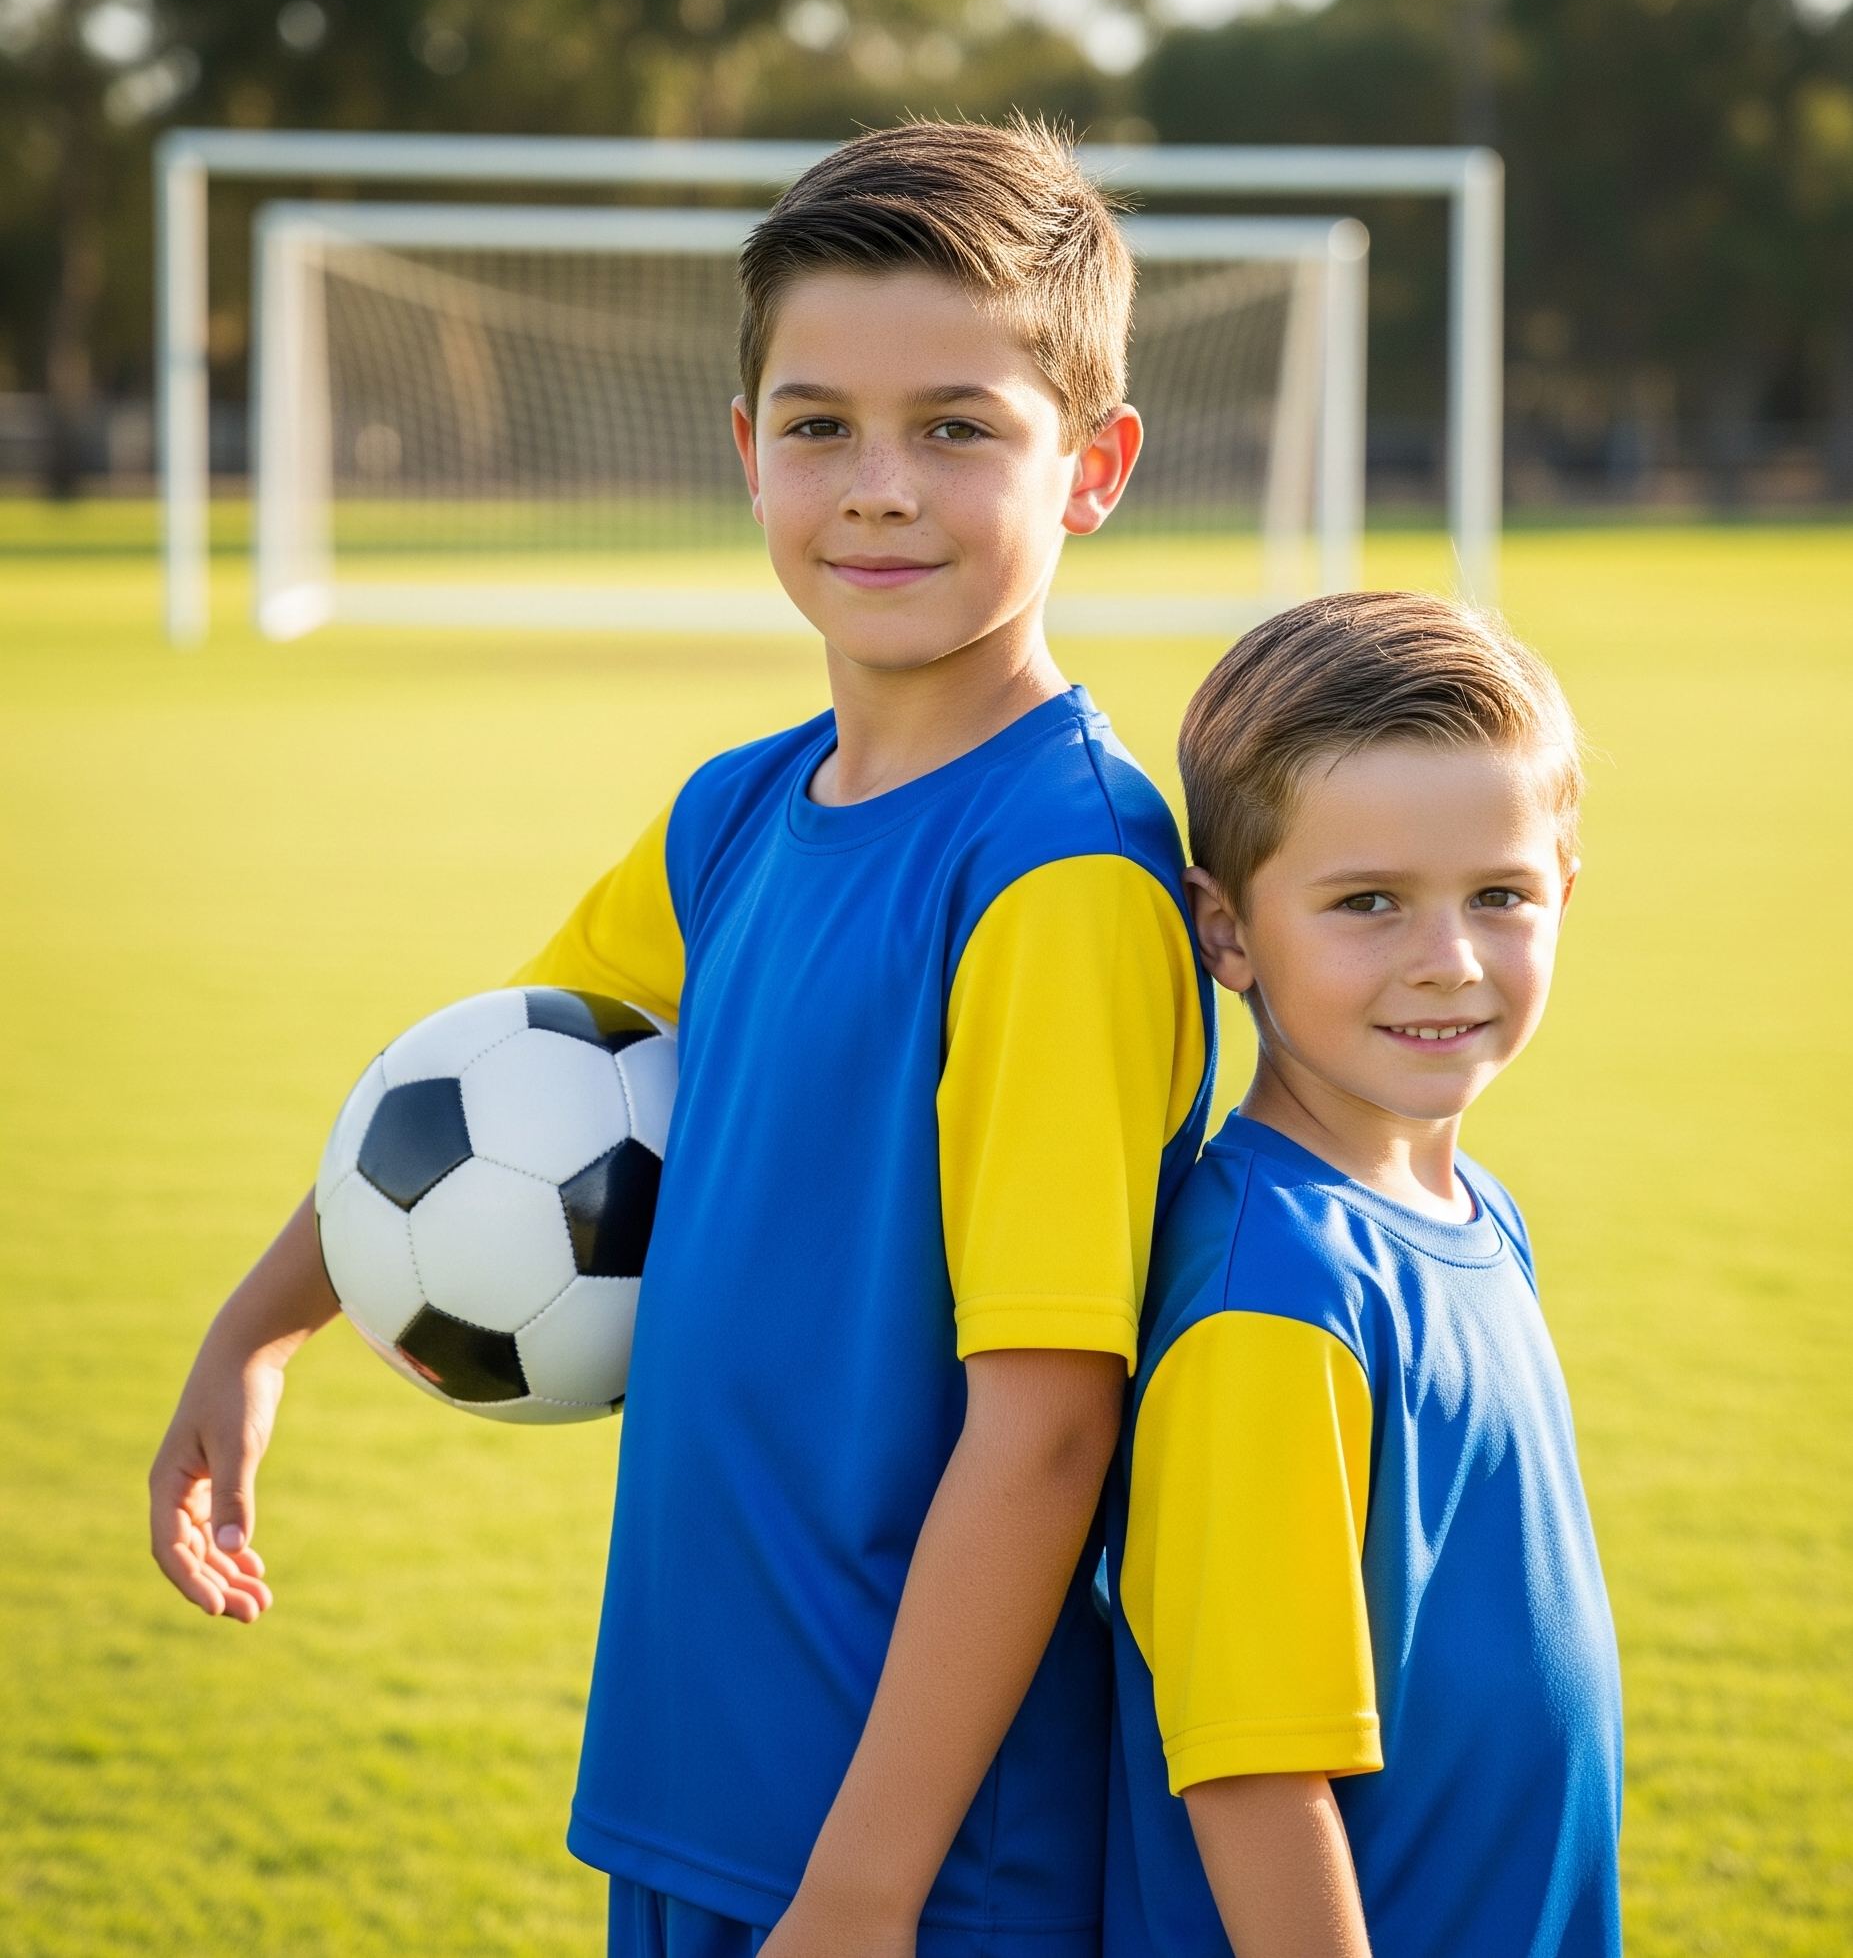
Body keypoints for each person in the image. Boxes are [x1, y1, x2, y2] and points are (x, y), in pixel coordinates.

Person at [150, 120, 1217, 1958]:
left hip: (918, 1858)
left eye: (957, 426)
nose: (877, 486)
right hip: (695, 1778)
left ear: (1094, 466)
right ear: (746, 455)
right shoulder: (736, 816)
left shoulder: (1058, 880)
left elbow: (1045, 1434)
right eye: (819, 426)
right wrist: (262, 1328)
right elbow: (472, 1092)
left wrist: (867, 1890)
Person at [1104, 592, 1622, 1958]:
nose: (1447, 960)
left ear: (1565, 890)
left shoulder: (1471, 1210)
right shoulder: (1272, 1300)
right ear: (1227, 932)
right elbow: (1258, 1780)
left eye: (1499, 895)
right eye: (1368, 902)